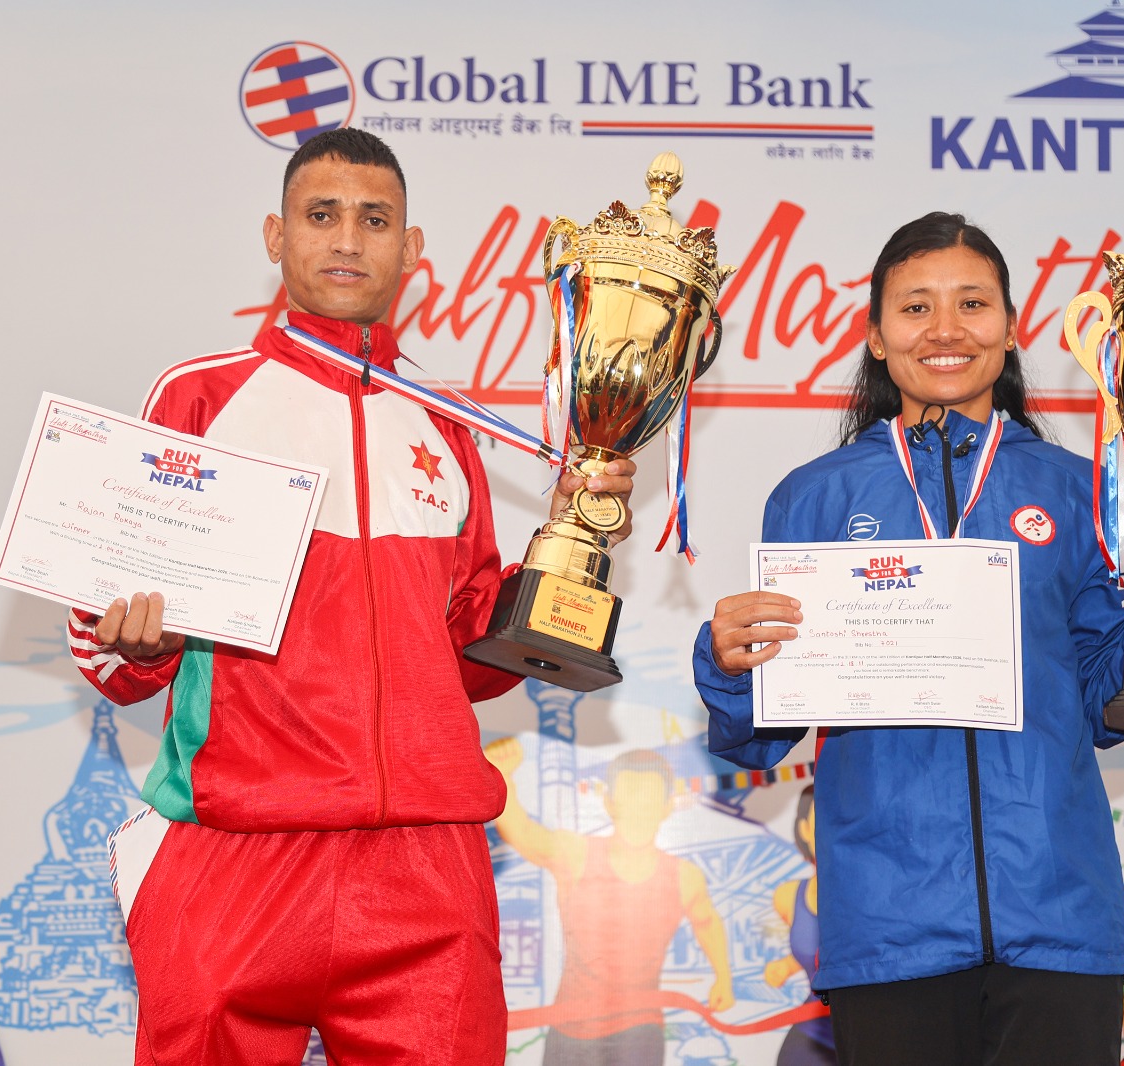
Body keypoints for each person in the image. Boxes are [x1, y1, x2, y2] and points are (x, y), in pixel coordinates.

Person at [66, 127, 635, 1065]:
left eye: (374, 221)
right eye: (321, 214)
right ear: (275, 235)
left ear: (411, 250)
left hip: (424, 859)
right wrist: (136, 641)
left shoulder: (447, 426)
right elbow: (107, 643)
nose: (346, 239)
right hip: (237, 844)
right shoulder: (202, 398)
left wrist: (564, 546)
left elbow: (467, 658)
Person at [692, 212, 1124, 1066]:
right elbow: (759, 735)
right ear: (876, 336)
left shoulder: (1082, 491)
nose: (946, 330)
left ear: (1012, 328)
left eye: (973, 304)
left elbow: (1102, 704)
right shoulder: (814, 497)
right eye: (916, 307)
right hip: (889, 927)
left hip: (1059, 916)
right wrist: (733, 665)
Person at [483, 739, 735, 1065]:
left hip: (639, 1031)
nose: (639, 809)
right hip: (572, 1030)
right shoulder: (576, 854)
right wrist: (503, 774)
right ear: (610, 802)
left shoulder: (685, 876)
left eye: (648, 799)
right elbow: (523, 833)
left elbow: (707, 921)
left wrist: (723, 978)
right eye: (631, 797)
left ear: (666, 807)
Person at [762, 785, 836, 1066]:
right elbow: (814, 950)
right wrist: (786, 965)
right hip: (810, 1038)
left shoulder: (872, 895)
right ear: (804, 829)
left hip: (866, 1033)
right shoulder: (788, 897)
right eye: (820, 821)